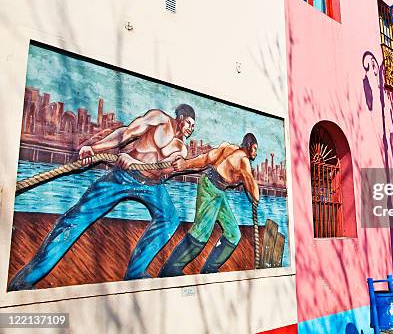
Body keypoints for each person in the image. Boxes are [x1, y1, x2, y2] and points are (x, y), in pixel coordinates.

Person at [9, 104, 196, 290]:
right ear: (180, 118)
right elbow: (126, 133)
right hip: (123, 177)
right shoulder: (159, 119)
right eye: (189, 123)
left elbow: (162, 167)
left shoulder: (182, 150)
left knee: (170, 220)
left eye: (193, 127)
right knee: (77, 217)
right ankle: (24, 281)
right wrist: (95, 148)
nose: (191, 129)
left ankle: (135, 274)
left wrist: (136, 162)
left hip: (153, 187)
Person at [159, 133, 260, 277]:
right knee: (201, 232)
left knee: (233, 234)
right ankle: (171, 268)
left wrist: (185, 163)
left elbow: (206, 158)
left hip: (218, 191)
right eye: (255, 149)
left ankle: (210, 268)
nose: (256, 153)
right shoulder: (243, 160)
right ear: (249, 146)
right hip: (210, 188)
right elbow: (254, 191)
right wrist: (255, 195)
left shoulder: (227, 147)